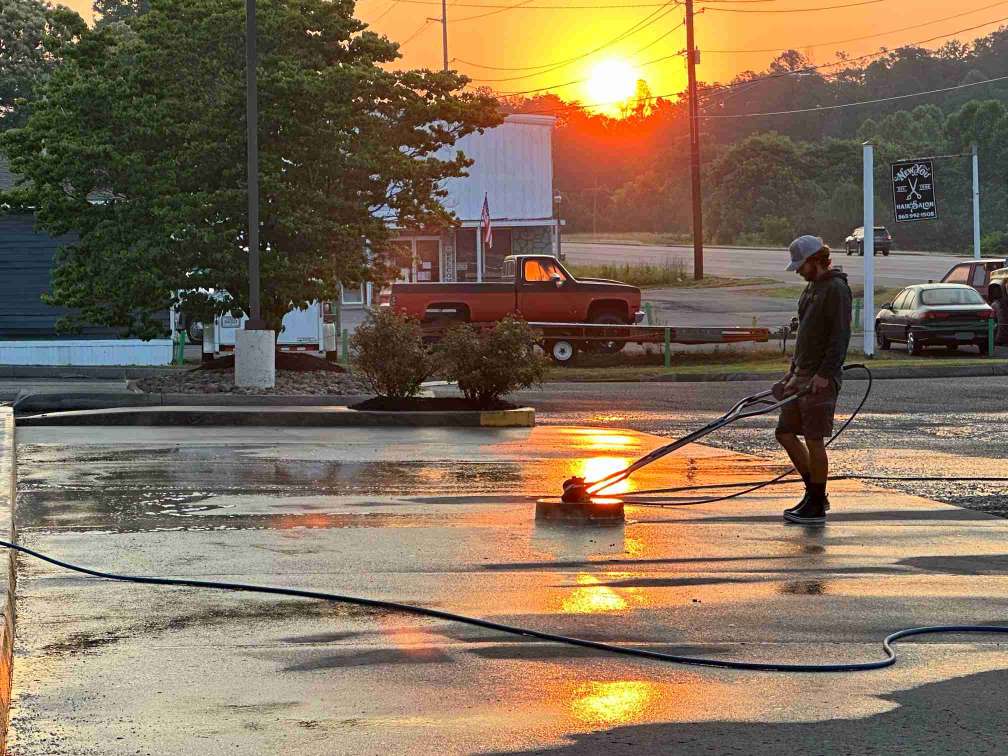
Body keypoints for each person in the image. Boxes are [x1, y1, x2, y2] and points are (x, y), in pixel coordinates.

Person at [773, 235, 852, 526]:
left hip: (821, 378)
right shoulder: (811, 289)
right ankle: (814, 491)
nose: (796, 270)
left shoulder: (836, 289)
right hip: (801, 374)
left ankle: (817, 504)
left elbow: (839, 337)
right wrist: (792, 373)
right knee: (784, 433)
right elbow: (804, 339)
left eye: (800, 264)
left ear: (815, 259)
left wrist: (824, 374)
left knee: (814, 438)